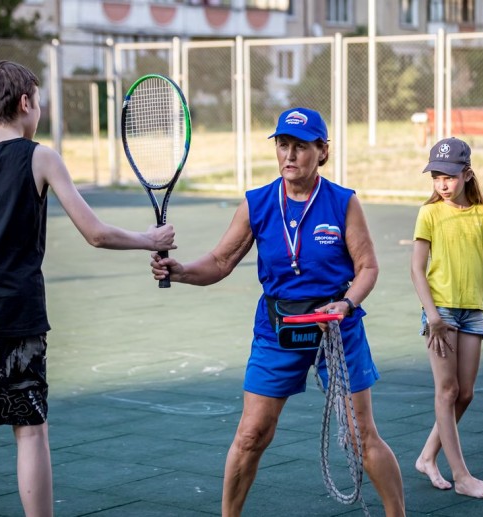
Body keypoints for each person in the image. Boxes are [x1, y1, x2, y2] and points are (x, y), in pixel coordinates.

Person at [0, 60, 175, 517]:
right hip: (15, 318)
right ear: (25, 103)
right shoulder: (40, 155)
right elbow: (95, 232)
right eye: (38, 102)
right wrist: (150, 240)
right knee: (31, 430)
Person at [151, 107, 405, 516]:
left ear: (322, 151)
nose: (289, 155)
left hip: (337, 330)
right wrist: (180, 272)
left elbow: (368, 267)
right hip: (277, 330)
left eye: (301, 147)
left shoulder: (343, 203)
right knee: (252, 434)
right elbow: (219, 261)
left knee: (362, 436)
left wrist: (348, 303)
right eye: (283, 145)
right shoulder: (257, 203)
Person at [411, 137, 483, 499]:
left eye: (450, 176)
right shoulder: (429, 213)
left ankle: (427, 456)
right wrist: (433, 316)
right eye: (436, 176)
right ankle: (461, 476)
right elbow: (416, 270)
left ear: (467, 174)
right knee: (447, 390)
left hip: (473, 313)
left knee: (465, 393)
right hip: (440, 312)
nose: (442, 184)